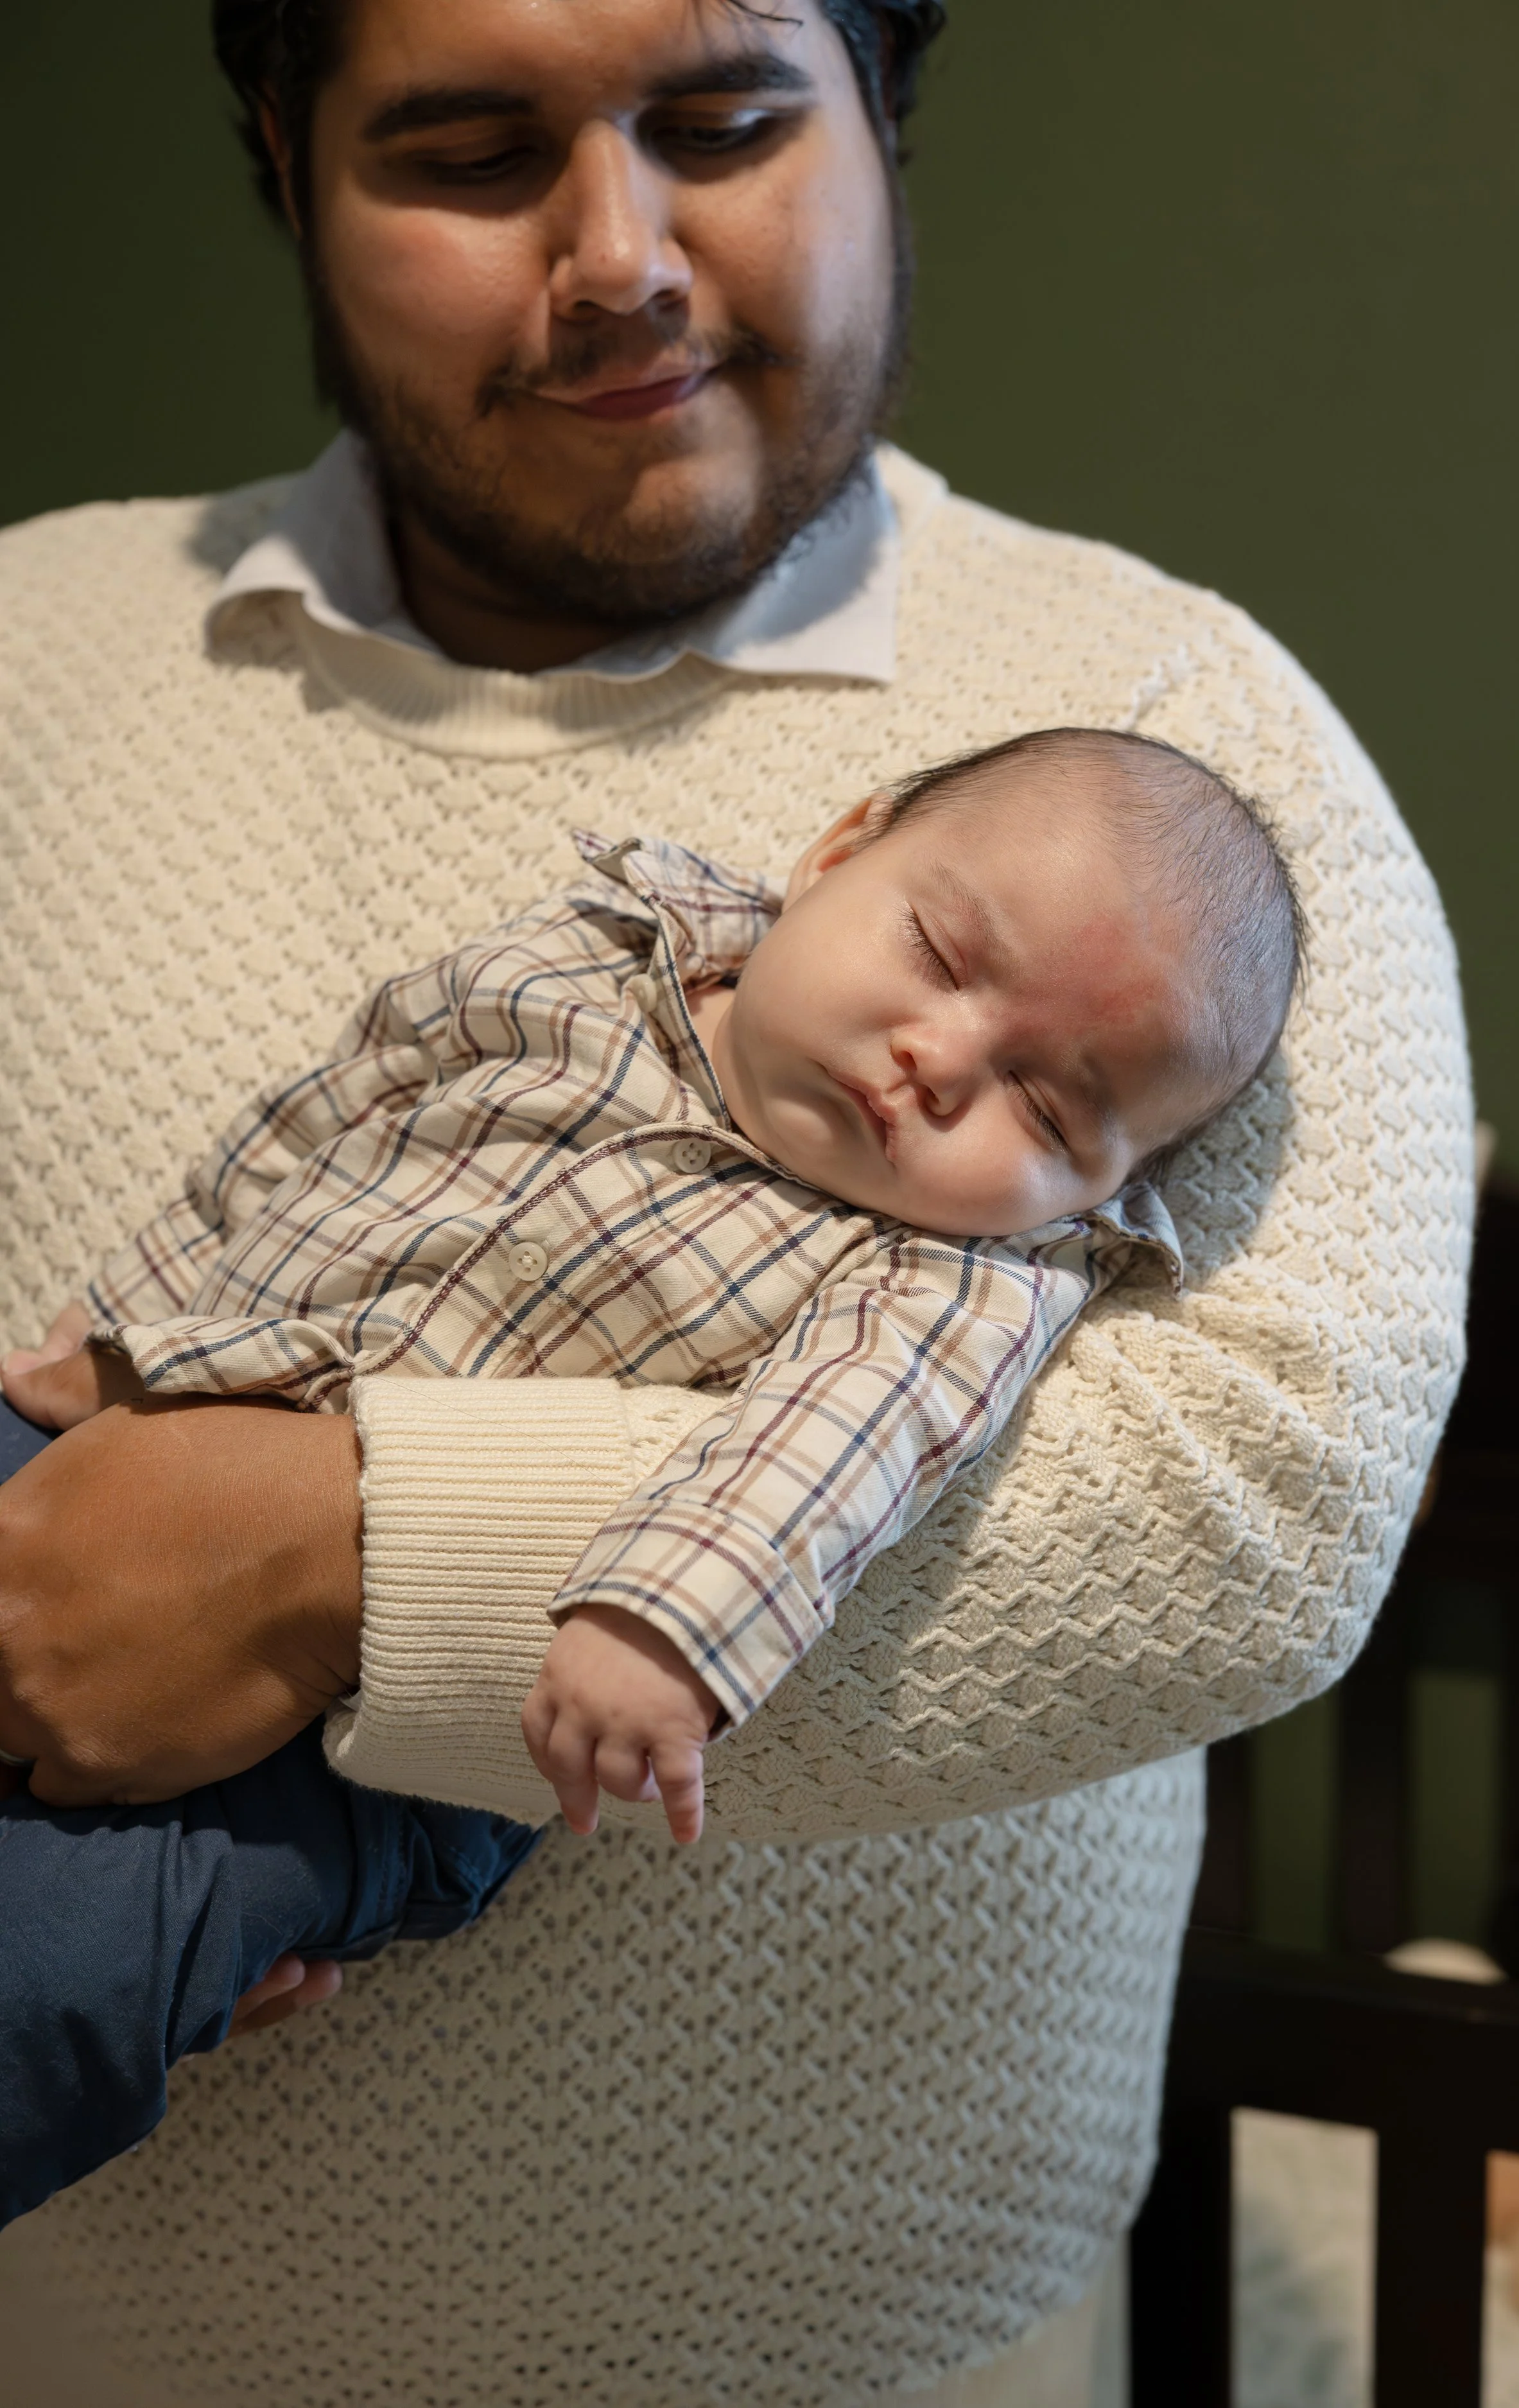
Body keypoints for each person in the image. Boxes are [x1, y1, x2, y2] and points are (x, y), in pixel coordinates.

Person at [0, 0, 1471, 2400]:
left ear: (881, 123)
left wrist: (322, 1554)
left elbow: (1261, 1499)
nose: (619, 255)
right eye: (473, 149)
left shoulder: (1184, 736)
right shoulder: (29, 657)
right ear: (288, 165)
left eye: (722, 123)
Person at [0, 727, 1305, 2228]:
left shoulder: (947, 1273)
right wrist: (127, 1324)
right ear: (836, 851)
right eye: (940, 954)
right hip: (101, 1439)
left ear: (1100, 1190)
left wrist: (655, 1627)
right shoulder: (574, 966)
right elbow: (317, 1119)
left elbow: (834, 1448)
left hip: (358, 1754)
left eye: (1049, 1110)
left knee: (49, 1984)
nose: (937, 1066)